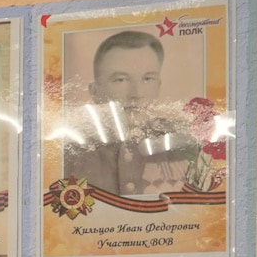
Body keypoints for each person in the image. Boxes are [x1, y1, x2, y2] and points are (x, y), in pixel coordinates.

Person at [61, 30, 199, 196]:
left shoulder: (186, 143)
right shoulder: (69, 151)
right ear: (95, 91)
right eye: (121, 79)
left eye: (147, 79)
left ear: (158, 86)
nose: (136, 94)